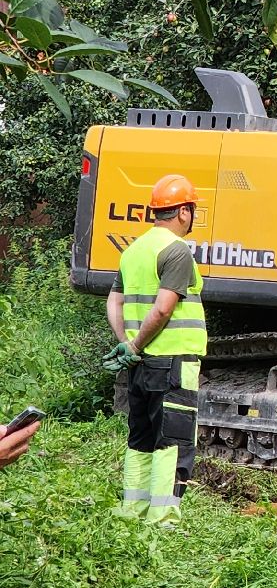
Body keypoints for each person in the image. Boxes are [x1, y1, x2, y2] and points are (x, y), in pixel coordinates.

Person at [103, 174, 206, 524]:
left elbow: (114, 300)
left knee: (141, 437)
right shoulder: (175, 251)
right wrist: (134, 343)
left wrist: (125, 344)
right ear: (182, 212)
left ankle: (133, 511)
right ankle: (162, 520)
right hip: (172, 361)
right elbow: (163, 308)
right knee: (173, 440)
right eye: (191, 210)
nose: (192, 217)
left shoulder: (134, 250)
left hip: (140, 364)